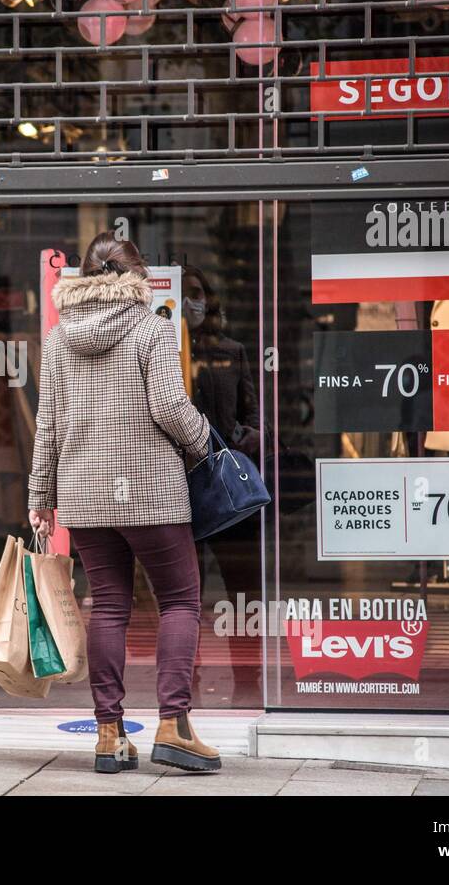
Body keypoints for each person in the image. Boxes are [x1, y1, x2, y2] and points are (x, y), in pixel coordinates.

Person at [28, 231, 221, 775]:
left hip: (84, 496)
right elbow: (170, 407)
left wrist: (42, 496)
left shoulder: (59, 338)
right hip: (151, 491)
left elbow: (49, 425)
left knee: (110, 606)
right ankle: (173, 726)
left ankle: (109, 735)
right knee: (180, 602)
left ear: (85, 280)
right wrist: (208, 444)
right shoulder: (153, 330)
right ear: (138, 279)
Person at [182, 266, 264, 707]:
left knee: (243, 589)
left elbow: (253, 412)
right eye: (183, 294)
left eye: (197, 293)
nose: (191, 302)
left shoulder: (231, 352)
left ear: (209, 300)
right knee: (185, 593)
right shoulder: (158, 350)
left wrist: (248, 434)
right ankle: (185, 682)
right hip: (179, 486)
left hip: (228, 484)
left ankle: (248, 681)